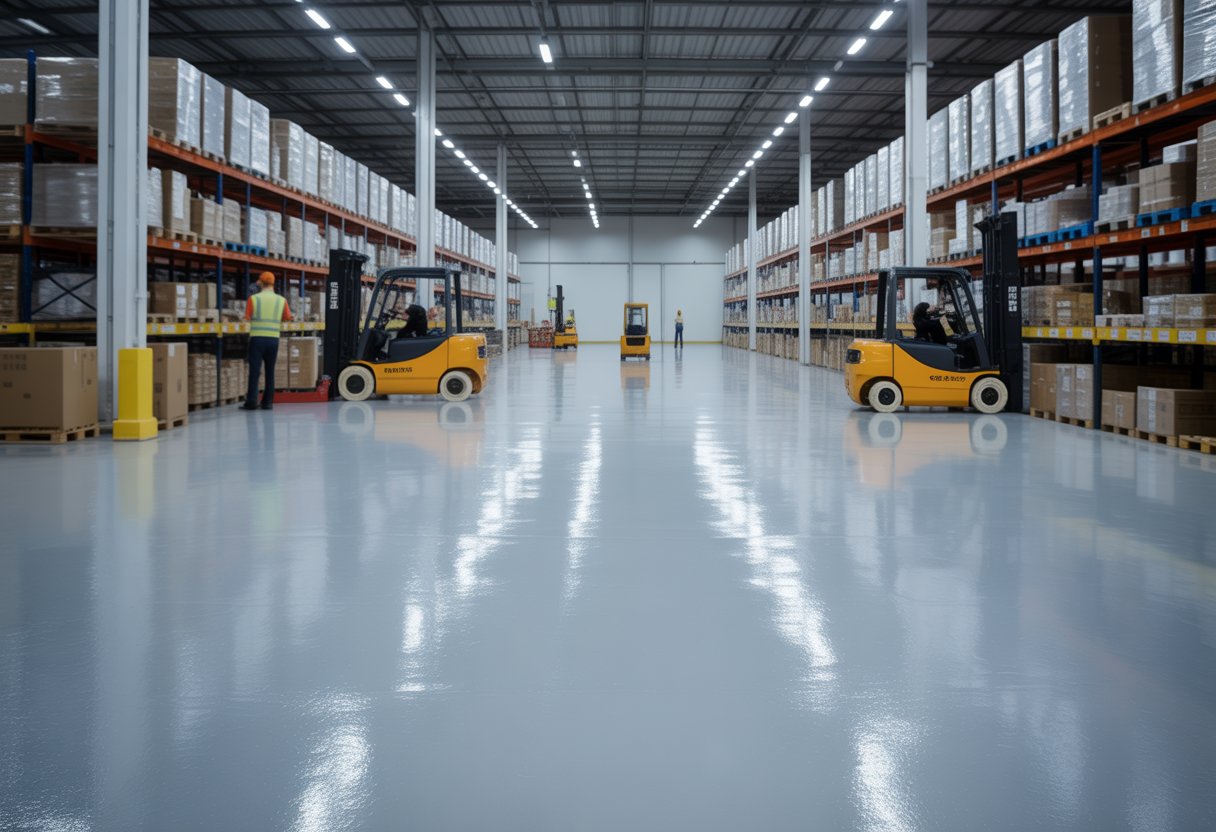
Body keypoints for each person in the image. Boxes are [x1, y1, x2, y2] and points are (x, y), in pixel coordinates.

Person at [241, 271, 292, 410]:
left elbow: (247, 317)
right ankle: (268, 402)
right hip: (273, 340)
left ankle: (251, 402)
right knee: (270, 371)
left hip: (257, 339)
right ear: (273, 283)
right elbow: (288, 317)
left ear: (261, 283)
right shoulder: (281, 300)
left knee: (255, 371)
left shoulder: (254, 299)